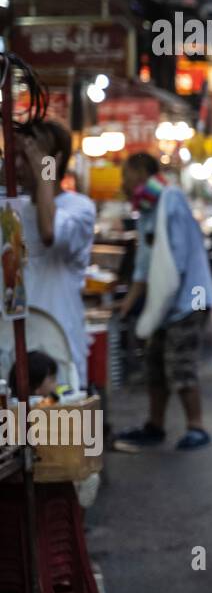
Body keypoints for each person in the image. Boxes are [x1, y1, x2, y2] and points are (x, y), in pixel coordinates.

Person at [116, 153, 212, 452]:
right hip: (165, 302)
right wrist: (130, 303)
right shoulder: (148, 207)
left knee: (181, 363)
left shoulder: (170, 199)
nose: (122, 182)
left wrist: (157, 303)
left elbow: (177, 261)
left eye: (126, 174)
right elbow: (145, 265)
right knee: (155, 364)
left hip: (189, 299)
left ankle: (197, 427)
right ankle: (155, 425)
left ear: (140, 172)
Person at [10, 121, 96, 392]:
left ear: (54, 162)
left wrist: (45, 169)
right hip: (15, 345)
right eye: (16, 155)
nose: (19, 165)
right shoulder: (15, 208)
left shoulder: (79, 207)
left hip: (59, 345)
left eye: (27, 156)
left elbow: (49, 232)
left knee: (62, 431)